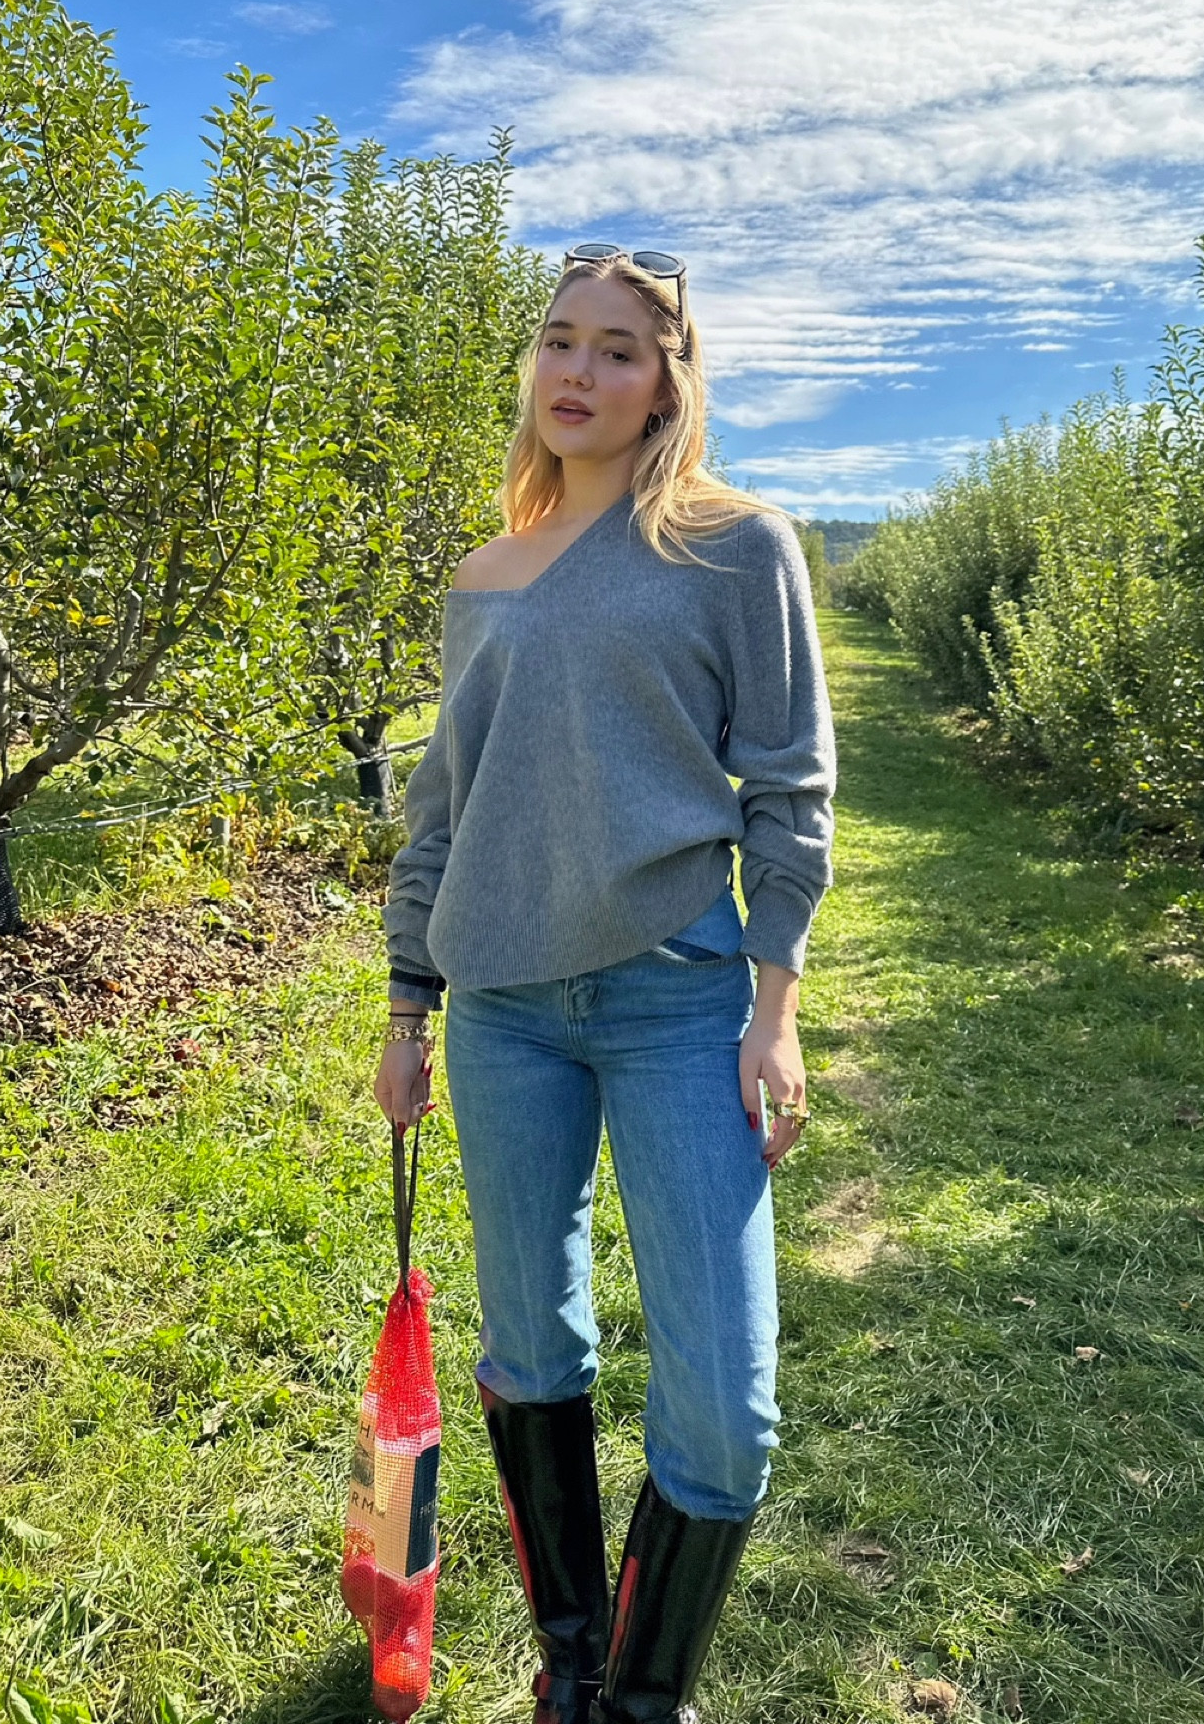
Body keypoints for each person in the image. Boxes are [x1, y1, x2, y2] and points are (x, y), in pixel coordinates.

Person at [374, 242, 835, 1724]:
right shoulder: (484, 573)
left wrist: (774, 1007)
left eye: (618, 350)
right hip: (504, 1010)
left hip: (674, 997)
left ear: (667, 382)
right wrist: (407, 1010)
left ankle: (647, 1692)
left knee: (725, 1395)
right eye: (559, 341)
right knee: (534, 1341)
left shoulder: (733, 546)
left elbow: (789, 787)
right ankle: (579, 1669)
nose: (577, 372)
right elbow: (444, 806)